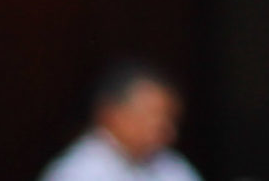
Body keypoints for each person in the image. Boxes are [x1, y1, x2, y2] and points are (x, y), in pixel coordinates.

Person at [40, 61, 200, 181]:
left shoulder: (169, 164)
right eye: (153, 117)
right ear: (110, 114)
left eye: (170, 119)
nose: (166, 129)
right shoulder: (77, 172)